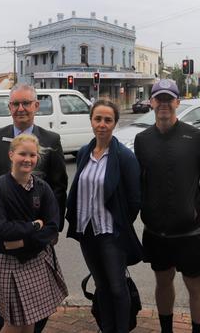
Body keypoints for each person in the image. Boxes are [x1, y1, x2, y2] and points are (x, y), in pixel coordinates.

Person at [134, 79, 200, 333]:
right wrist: (143, 208)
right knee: (162, 280)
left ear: (177, 102)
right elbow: (139, 179)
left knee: (194, 283)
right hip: (156, 230)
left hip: (189, 230)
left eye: (168, 99)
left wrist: (199, 208)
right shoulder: (142, 139)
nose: (163, 104)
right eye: (158, 99)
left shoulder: (195, 136)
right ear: (151, 102)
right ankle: (166, 330)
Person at [0, 83, 68, 332]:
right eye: (16, 104)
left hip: (39, 241)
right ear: (9, 107)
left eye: (26, 103)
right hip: (3, 237)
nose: (21, 109)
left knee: (37, 303)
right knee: (6, 303)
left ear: (36, 106)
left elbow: (59, 186)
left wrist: (51, 230)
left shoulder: (51, 139)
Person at [66, 100, 142, 332]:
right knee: (101, 286)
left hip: (111, 233)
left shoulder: (124, 157)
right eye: (98, 119)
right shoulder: (84, 153)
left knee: (118, 288)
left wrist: (119, 223)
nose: (102, 124)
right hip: (87, 230)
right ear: (91, 121)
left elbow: (134, 201)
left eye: (107, 120)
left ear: (115, 124)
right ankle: (106, 328)